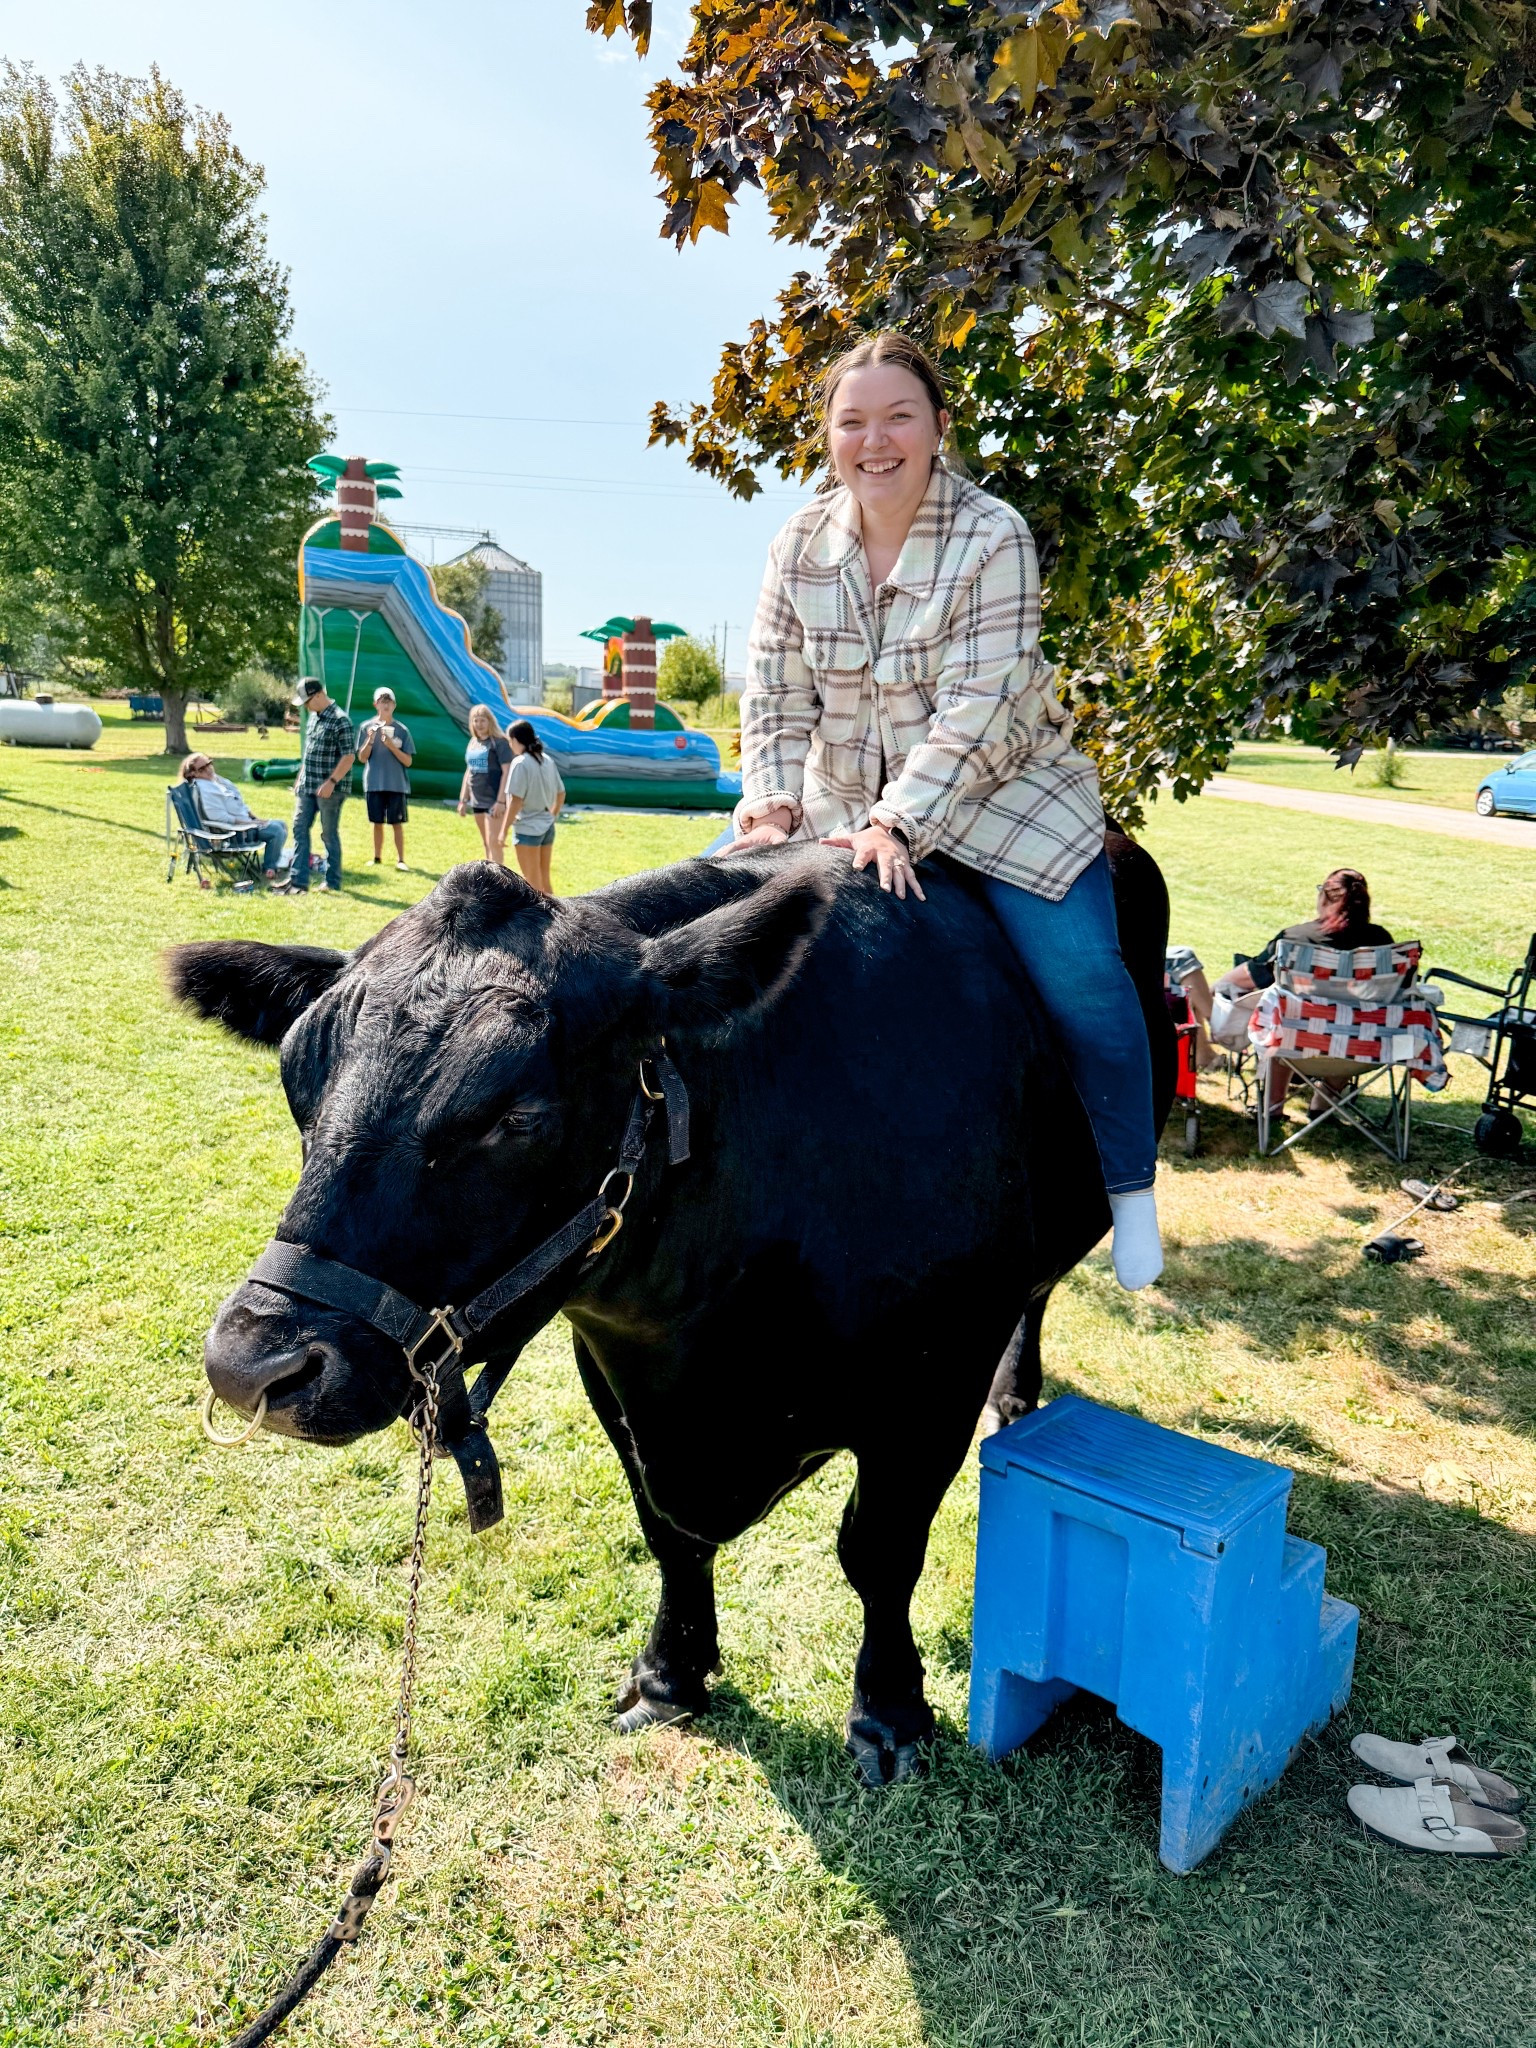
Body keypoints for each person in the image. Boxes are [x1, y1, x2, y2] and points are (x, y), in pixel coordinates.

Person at [720, 329, 1162, 1290]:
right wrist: (770, 806)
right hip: (838, 797)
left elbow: (979, 704)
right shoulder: (797, 544)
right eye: (852, 422)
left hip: (1004, 794)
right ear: (829, 437)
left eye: (898, 417)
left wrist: (898, 822)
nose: (874, 441)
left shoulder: (993, 534)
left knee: (1087, 979)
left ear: (938, 427)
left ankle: (1129, 1186)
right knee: (699, 932)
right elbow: (774, 692)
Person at [1213, 870, 1394, 1000]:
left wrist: (1213, 988)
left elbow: (1252, 975)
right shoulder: (1381, 940)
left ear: (1324, 898)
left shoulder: (1295, 939)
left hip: (1298, 1033)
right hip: (1364, 1034)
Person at [289, 676, 355, 895]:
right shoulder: (313, 718)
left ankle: (332, 881)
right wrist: (300, 778)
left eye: (307, 702)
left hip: (330, 789)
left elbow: (348, 756)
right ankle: (298, 880)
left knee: (328, 834)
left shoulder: (340, 720)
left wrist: (331, 782)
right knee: (299, 828)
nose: (305, 707)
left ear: (318, 695)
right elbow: (308, 752)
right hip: (307, 785)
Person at [180, 754, 288, 885]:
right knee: (276, 830)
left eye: (209, 764)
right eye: (202, 768)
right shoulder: (204, 789)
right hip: (233, 834)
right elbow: (218, 817)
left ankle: (271, 865)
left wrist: (255, 818)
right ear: (194, 774)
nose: (209, 769)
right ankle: (269, 868)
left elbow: (238, 801)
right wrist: (251, 823)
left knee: (280, 824)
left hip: (244, 825)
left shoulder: (215, 781)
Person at [503, 718, 565, 894]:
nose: (510, 745)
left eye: (510, 741)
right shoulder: (547, 760)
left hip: (527, 829)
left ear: (515, 740)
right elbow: (561, 793)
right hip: (547, 826)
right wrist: (552, 815)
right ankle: (557, 912)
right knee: (545, 883)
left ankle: (543, 914)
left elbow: (516, 801)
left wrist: (503, 831)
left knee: (533, 885)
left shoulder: (520, 762)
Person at [356, 686, 414, 871]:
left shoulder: (402, 730)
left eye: (389, 702)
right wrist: (370, 739)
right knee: (377, 822)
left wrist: (391, 746)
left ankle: (401, 860)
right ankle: (377, 857)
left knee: (397, 823)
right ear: (376, 704)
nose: (386, 705)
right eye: (382, 701)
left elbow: (408, 761)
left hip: (396, 785)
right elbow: (362, 758)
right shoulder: (366, 727)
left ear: (394, 705)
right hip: (374, 784)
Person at [458, 703, 514, 863]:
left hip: (494, 801)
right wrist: (463, 800)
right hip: (477, 800)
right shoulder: (473, 742)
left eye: (482, 720)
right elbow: (469, 771)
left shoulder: (500, 742)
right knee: (486, 843)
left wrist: (501, 801)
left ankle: (497, 878)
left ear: (490, 721)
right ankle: (488, 876)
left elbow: (507, 772)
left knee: (494, 843)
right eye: (475, 720)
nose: (479, 724)